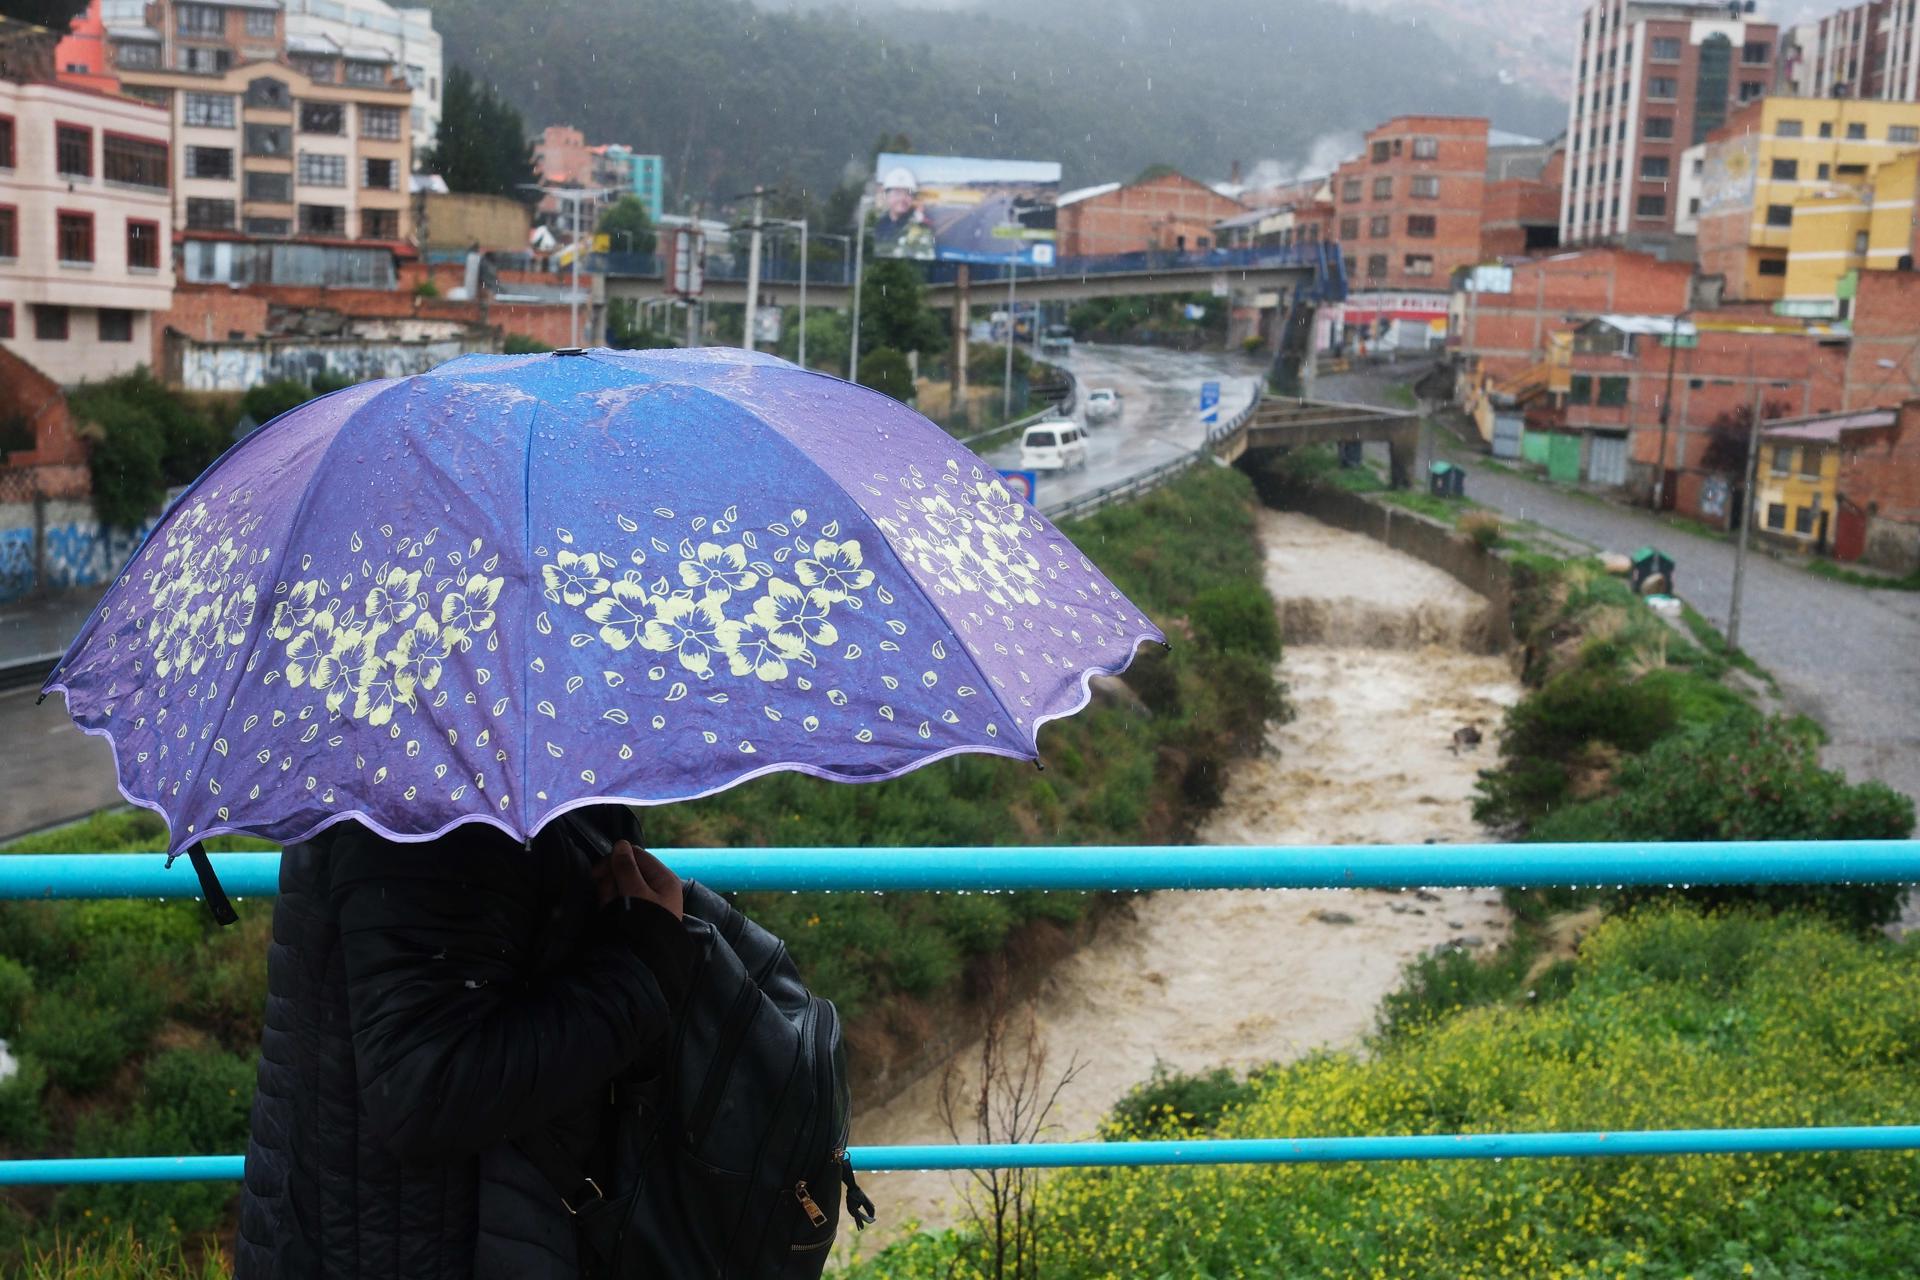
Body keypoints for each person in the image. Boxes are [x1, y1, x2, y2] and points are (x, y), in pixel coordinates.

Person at [235, 806, 695, 1280]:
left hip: (374, 1217)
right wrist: (642, 965)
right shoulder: (430, 805)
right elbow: (422, 1092)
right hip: (415, 1238)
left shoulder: (432, 774)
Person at [873, 166, 936, 261]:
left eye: (908, 193)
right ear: (886, 195)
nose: (902, 198)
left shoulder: (922, 226)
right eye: (897, 193)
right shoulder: (878, 224)